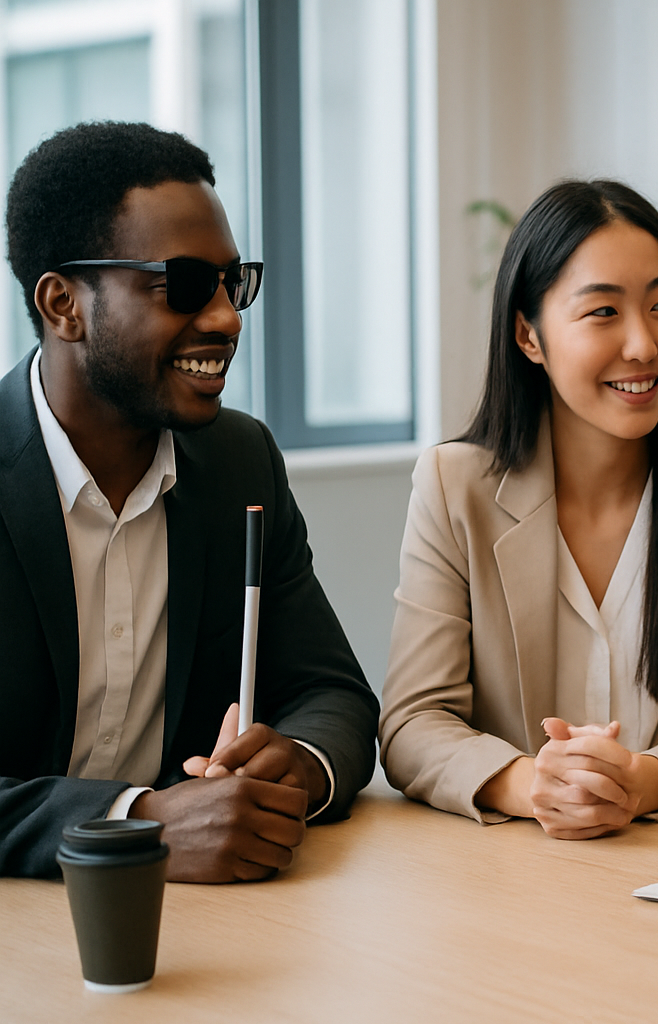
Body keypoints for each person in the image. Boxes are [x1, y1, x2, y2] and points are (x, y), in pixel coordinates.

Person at [0, 122, 379, 881]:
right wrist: (140, 821)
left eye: (232, 283)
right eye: (185, 284)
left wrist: (294, 768)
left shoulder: (240, 462)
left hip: (206, 925)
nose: (227, 319)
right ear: (63, 303)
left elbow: (330, 692)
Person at [378, 180, 658, 838]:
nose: (643, 345)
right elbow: (413, 722)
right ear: (529, 335)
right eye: (603, 312)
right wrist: (532, 783)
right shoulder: (453, 485)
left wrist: (643, 781)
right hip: (504, 877)